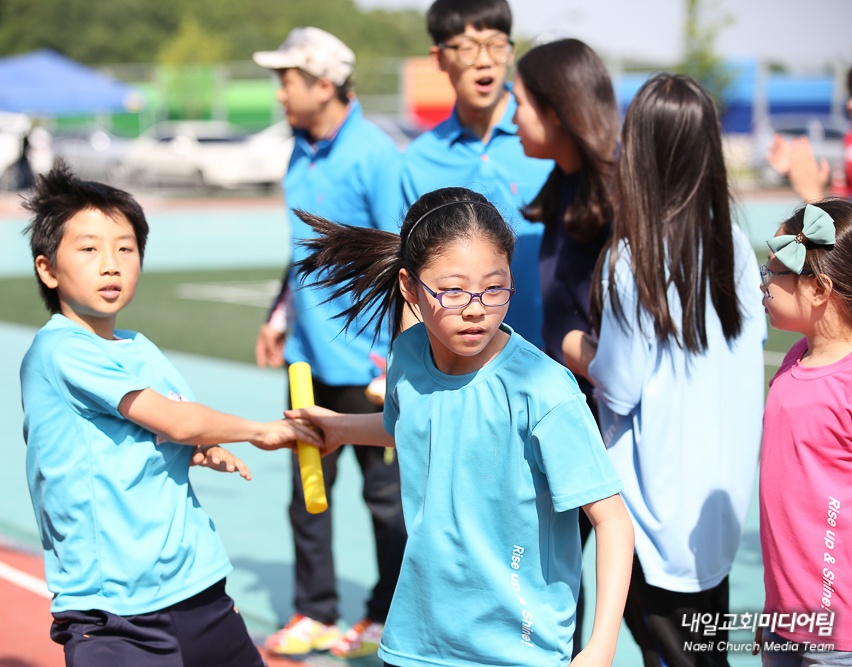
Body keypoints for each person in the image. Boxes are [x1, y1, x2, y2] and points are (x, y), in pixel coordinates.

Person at [286, 187, 634, 667]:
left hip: (518, 653)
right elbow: (412, 425)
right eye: (452, 291)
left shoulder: (545, 389)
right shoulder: (408, 357)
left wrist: (601, 646)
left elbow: (612, 520)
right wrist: (338, 428)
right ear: (410, 287)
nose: (476, 308)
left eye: (495, 288)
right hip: (415, 644)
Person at [19, 163, 322, 667]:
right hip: (115, 614)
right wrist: (261, 431)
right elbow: (177, 421)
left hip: (198, 588)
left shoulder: (139, 348)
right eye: (89, 249)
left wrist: (203, 448)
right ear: (48, 269)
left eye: (125, 249)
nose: (111, 265)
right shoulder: (61, 351)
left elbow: (171, 428)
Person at [562, 74, 766, 667]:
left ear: (638, 156)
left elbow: (619, 386)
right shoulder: (733, 245)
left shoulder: (633, 262)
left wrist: (575, 347)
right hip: (715, 509)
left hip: (651, 514)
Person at [252, 27, 408, 659]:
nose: (279, 92)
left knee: (387, 500)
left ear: (323, 85)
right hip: (306, 359)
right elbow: (303, 253)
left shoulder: (377, 156)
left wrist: (396, 356)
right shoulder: (298, 150)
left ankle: (387, 615)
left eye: (286, 79)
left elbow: (403, 257)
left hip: (368, 361)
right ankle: (315, 611)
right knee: (307, 494)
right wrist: (279, 313)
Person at [511, 37, 619, 650]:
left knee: (652, 611)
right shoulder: (563, 187)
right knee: (552, 581)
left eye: (520, 102)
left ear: (556, 110)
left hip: (610, 425)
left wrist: (574, 351)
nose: (512, 116)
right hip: (566, 408)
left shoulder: (621, 198)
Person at [400, 0, 552, 347]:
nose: (484, 61)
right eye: (468, 48)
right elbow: (409, 270)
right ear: (439, 57)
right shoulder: (418, 160)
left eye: (496, 45)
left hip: (552, 356)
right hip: (461, 363)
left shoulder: (548, 136)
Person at [755, 198, 852, 663]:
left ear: (818, 289)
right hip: (786, 621)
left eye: (774, 271)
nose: (763, 282)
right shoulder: (796, 357)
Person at [766, 66, 852, 202]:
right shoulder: (848, 138)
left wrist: (812, 195)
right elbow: (843, 208)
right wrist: (802, 176)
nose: (849, 104)